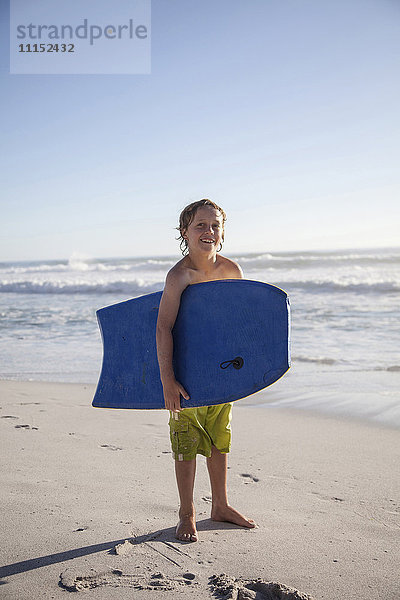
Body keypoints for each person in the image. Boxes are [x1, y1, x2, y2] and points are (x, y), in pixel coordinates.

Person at [156, 199, 255, 542]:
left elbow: (239, 327)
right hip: (186, 376)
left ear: (222, 232)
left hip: (221, 373)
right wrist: (168, 380)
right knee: (185, 443)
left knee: (219, 439)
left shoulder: (232, 271)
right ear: (185, 232)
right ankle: (187, 513)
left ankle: (221, 506)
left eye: (214, 226)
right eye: (200, 225)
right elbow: (163, 327)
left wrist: (243, 374)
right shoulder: (179, 275)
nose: (208, 232)